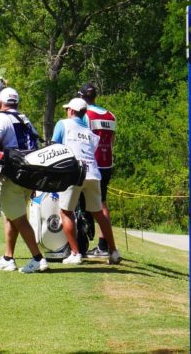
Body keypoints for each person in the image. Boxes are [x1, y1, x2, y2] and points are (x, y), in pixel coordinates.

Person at [51, 97, 121, 265]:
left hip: (74, 173)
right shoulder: (91, 133)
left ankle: (75, 253)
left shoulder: (63, 124)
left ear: (71, 111)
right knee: (98, 212)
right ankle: (113, 251)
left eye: (67, 109)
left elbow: (54, 148)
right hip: (93, 173)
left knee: (66, 212)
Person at [0, 87, 49, 274]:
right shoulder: (25, 118)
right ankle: (8, 257)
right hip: (29, 174)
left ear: (1, 103)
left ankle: (38, 258)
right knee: (12, 216)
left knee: (18, 218)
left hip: (12, 174)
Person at [77, 82, 116, 257]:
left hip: (92, 163)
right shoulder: (110, 115)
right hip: (107, 163)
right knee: (102, 203)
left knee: (86, 204)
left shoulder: (87, 115)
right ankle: (103, 244)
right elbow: (112, 142)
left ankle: (87, 243)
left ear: (82, 97)